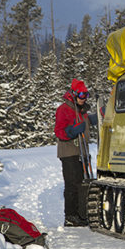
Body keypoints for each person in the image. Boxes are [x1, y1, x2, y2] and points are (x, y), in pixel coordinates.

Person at [54, 79, 94, 227]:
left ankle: (81, 214)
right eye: (82, 95)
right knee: (72, 184)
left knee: (82, 183)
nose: (84, 98)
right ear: (74, 94)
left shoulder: (82, 110)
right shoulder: (63, 109)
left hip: (82, 151)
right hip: (69, 151)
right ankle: (70, 216)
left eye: (86, 95)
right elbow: (59, 131)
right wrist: (71, 131)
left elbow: (87, 123)